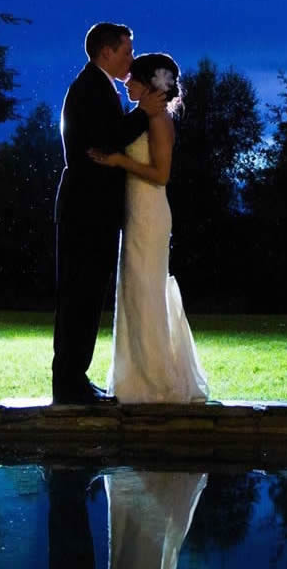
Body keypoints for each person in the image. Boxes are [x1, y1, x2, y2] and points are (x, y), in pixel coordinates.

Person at [53, 23, 167, 406]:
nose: (131, 59)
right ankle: (68, 383)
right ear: (107, 52)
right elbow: (102, 141)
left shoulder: (99, 87)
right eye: (127, 52)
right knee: (78, 296)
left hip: (93, 212)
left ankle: (74, 378)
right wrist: (143, 113)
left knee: (85, 297)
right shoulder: (89, 89)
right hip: (85, 211)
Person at [88, 53, 209, 404]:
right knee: (133, 291)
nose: (127, 81)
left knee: (145, 291)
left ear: (149, 85)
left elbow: (161, 175)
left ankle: (153, 380)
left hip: (150, 213)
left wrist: (118, 161)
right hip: (136, 212)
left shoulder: (158, 121)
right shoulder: (141, 118)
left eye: (134, 79)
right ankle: (135, 377)